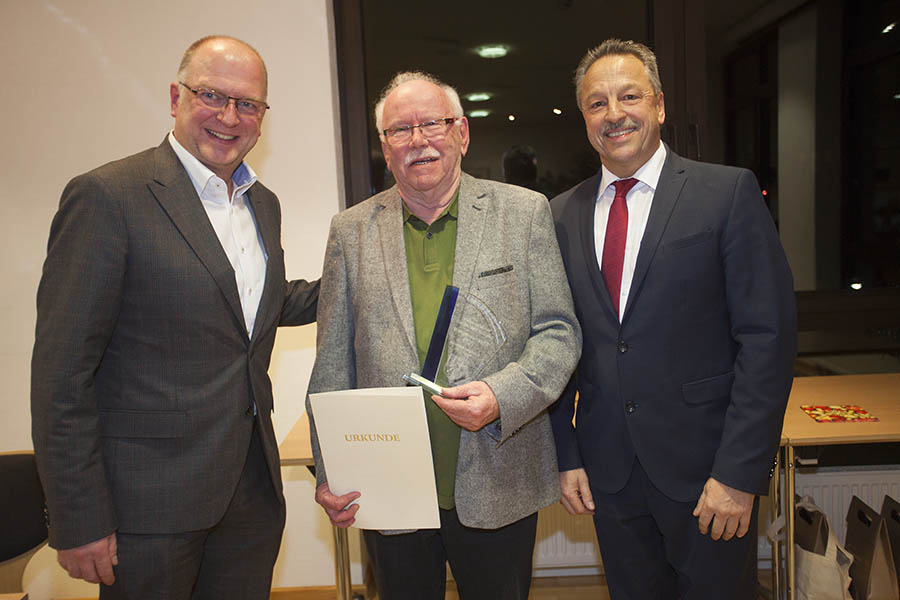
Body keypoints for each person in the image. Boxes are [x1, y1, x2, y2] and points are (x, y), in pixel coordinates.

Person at [30, 35, 319, 599]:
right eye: (212, 95)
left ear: (262, 116)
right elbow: (61, 375)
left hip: (249, 496)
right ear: (175, 97)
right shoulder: (108, 197)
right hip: (148, 505)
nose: (230, 116)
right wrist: (78, 516)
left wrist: (369, 273)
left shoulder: (263, 204)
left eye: (248, 104)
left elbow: (256, 305)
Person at [308, 71, 581, 599]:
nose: (418, 140)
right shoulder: (351, 230)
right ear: (385, 149)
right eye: (400, 130)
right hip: (387, 486)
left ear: (462, 133)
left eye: (432, 123)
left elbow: (558, 332)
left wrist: (503, 395)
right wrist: (331, 468)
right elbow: (332, 362)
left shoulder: (523, 213)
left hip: (497, 476)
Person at [549, 39, 797, 599]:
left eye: (629, 96)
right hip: (609, 477)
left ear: (659, 106)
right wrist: (566, 455)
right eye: (596, 103)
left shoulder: (726, 192)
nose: (614, 114)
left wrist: (737, 474)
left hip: (709, 475)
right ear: (584, 119)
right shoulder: (559, 214)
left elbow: (767, 339)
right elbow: (556, 343)